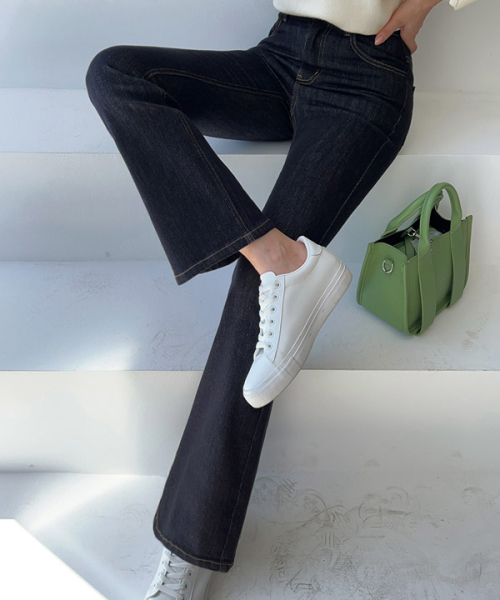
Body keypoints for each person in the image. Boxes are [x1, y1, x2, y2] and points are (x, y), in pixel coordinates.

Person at [84, 0, 481, 597]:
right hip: (277, 57)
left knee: (255, 289)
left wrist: (422, 5)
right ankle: (279, 256)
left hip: (367, 74)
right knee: (115, 74)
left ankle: (189, 548)